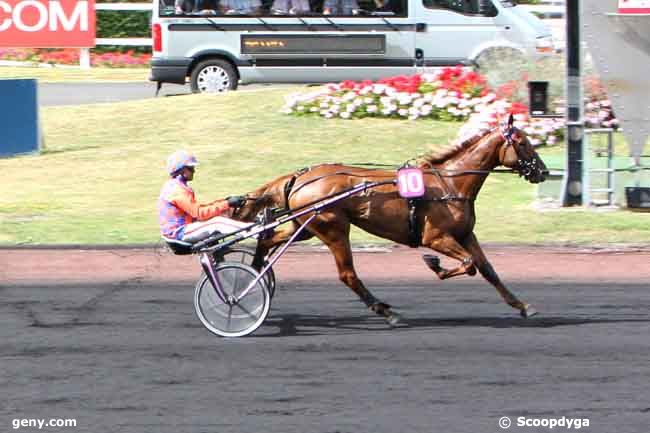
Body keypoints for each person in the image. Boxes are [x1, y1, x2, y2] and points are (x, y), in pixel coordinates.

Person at [158, 150, 252, 244]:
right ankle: (253, 231)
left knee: (224, 212)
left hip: (185, 228)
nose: (194, 171)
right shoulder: (176, 190)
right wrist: (227, 203)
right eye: (191, 168)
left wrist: (225, 202)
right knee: (217, 223)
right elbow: (199, 213)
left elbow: (199, 208)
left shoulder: (176, 185)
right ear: (182, 170)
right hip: (179, 234)